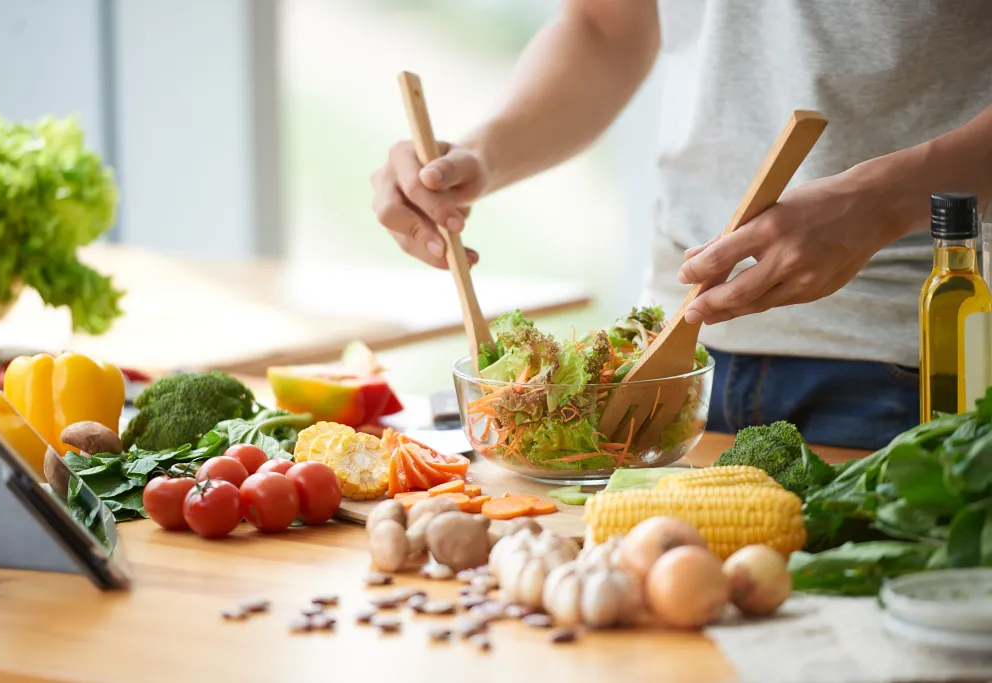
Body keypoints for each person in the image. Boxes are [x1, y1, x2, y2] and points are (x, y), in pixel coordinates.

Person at [370, 0, 992, 450]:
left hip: (917, 355)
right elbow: (605, 28)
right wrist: (480, 155)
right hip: (673, 359)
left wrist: (884, 201)